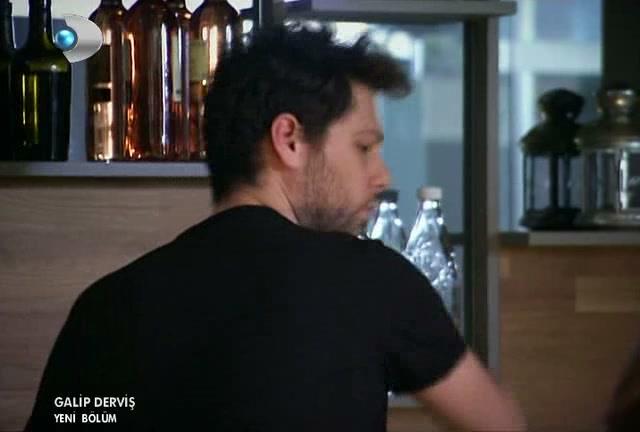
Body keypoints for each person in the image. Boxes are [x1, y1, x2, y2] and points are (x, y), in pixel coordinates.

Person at [25, 24, 526, 431]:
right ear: (289, 139)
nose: (382, 175)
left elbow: (87, 415)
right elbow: (497, 424)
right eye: (364, 147)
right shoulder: (374, 282)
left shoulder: (110, 306)